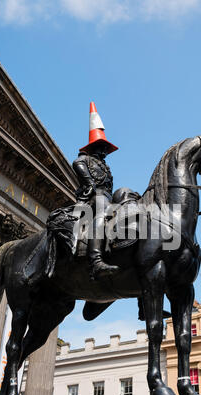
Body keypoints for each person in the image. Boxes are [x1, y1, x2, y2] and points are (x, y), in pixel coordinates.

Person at [72, 102, 120, 281]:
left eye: (106, 147)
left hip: (107, 197)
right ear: (94, 146)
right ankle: (95, 260)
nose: (105, 150)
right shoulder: (83, 159)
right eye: (102, 146)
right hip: (93, 198)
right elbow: (77, 165)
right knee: (102, 204)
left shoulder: (106, 167)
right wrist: (89, 182)